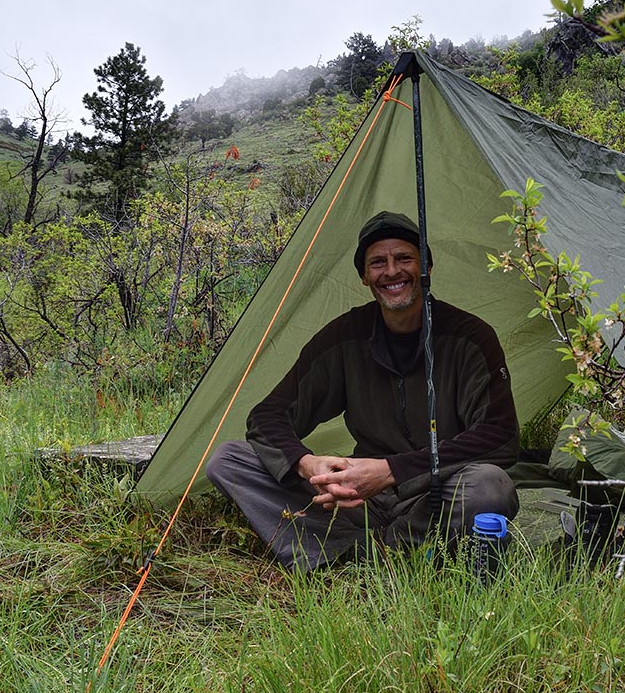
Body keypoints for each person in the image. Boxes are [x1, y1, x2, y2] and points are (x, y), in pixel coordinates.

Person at [206, 210, 520, 570]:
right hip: (360, 503)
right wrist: (309, 465)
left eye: (404, 258)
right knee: (228, 461)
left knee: (489, 487)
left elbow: (499, 437)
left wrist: (390, 470)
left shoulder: (470, 338)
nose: (391, 271)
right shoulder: (346, 337)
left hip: (433, 495)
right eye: (377, 262)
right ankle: (351, 552)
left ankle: (394, 553)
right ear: (364, 277)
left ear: (426, 268)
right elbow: (268, 415)